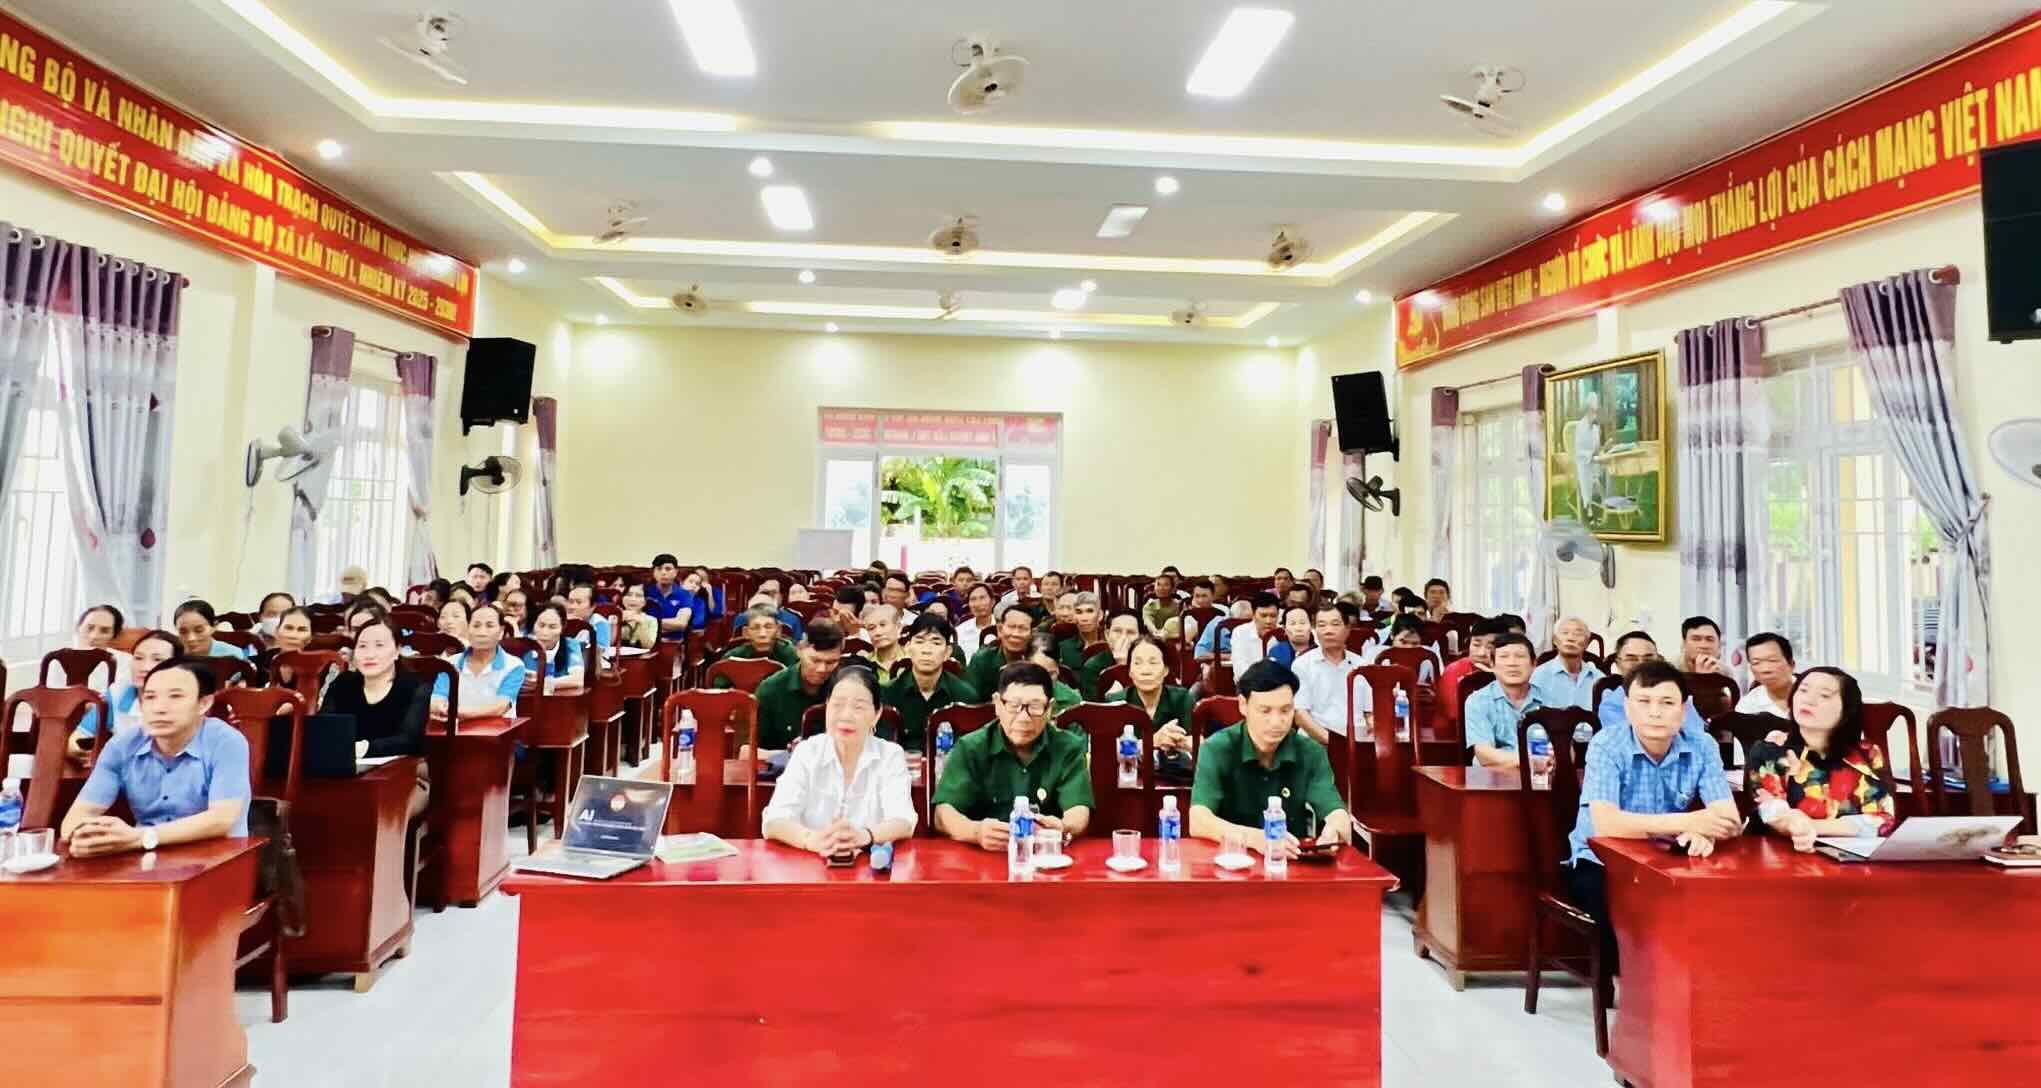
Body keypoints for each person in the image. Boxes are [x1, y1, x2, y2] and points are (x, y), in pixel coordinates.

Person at [1566, 661, 1740, 966]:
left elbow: (1730, 820)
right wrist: (1690, 822)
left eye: (1667, 703)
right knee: (1628, 930)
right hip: (1602, 860)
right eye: (1644, 702)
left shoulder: (1702, 745)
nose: (1655, 712)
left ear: (1684, 710)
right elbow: (1606, 825)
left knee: (1723, 911)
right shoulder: (1606, 744)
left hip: (1666, 858)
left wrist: (1703, 833)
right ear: (1627, 708)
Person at [62, 660, 252, 855]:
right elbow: (76, 818)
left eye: (175, 696)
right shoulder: (122, 746)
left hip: (216, 856)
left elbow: (222, 820)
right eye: (150, 697)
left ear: (204, 704)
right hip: (143, 855)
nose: (159, 708)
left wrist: (142, 837)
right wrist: (84, 837)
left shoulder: (226, 742)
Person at [1189, 660, 1351, 857]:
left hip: (1290, 861)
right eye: (1265, 711)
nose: (1276, 722)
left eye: (1285, 710)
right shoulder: (1216, 748)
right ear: (1243, 705)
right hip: (1229, 860)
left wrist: (1334, 830)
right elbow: (1198, 820)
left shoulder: (1310, 751)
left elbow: (1336, 811)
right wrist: (1254, 838)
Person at [932, 662, 1094, 847]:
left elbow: (1079, 811)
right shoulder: (971, 748)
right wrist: (975, 832)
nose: (1024, 718)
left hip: (1045, 852)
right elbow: (943, 813)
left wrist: (1062, 827)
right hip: (982, 854)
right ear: (997, 704)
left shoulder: (1068, 747)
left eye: (1035, 706)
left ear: (1049, 708)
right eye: (1014, 705)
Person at [762, 667, 918, 855]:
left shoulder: (890, 755)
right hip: (810, 861)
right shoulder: (807, 752)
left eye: (858, 707)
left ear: (876, 715)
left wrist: (863, 836)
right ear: (827, 707)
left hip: (870, 863)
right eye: (838, 705)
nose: (846, 716)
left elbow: (903, 821)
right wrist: (811, 840)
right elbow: (774, 820)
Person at [1747, 667, 1896, 850]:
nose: (1808, 700)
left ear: (1846, 709)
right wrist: (1796, 825)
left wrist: (1813, 827)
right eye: (1803, 690)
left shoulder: (1867, 753)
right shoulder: (1770, 751)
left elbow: (1883, 819)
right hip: (1780, 854)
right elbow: (1773, 812)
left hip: (1846, 857)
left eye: (1824, 695)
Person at [320, 619, 431, 818]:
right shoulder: (343, 683)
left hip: (406, 776)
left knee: (369, 810)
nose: (369, 654)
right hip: (345, 774)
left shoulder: (415, 687)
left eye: (379, 645)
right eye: (362, 646)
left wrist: (364, 748)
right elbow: (325, 729)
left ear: (397, 651)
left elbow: (409, 740)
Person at [69, 629, 181, 757]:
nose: (144, 667)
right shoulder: (118, 693)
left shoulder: (187, 701)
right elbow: (79, 735)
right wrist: (81, 753)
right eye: (138, 658)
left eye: (157, 659)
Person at [881, 614, 976, 751]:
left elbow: (968, 751)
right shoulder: (887, 693)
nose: (926, 650)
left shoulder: (965, 695)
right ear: (908, 648)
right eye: (919, 642)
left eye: (936, 643)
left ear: (947, 652)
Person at [751, 620, 847, 755]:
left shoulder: (848, 688)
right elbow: (747, 753)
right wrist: (798, 756)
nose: (822, 669)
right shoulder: (771, 690)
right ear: (799, 651)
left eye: (831, 662)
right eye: (815, 660)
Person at [1597, 631, 1709, 737]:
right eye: (1631, 659)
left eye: (1648, 659)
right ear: (1618, 664)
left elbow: (1697, 735)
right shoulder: (1612, 705)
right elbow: (1627, 742)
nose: (1641, 665)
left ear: (1659, 660)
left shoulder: (1678, 697)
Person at [1464, 634, 1549, 771]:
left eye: (1520, 656)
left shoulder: (1549, 700)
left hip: (1540, 777)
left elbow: (1567, 752)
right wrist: (1530, 760)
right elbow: (1484, 755)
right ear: (1492, 664)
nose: (1512, 663)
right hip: (1491, 778)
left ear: (1534, 664)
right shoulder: (1478, 701)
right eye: (1504, 657)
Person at [1290, 604, 1372, 743]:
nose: (1328, 631)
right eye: (1321, 625)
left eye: (1335, 624)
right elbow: (1300, 714)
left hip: (1357, 741)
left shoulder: (1362, 665)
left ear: (1347, 629)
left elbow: (1369, 713)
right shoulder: (1302, 664)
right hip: (1314, 743)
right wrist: (1334, 744)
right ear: (1314, 631)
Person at [430, 604, 525, 722]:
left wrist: (456, 712)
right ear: (467, 629)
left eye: (489, 626)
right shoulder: (449, 663)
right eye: (476, 625)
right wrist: (437, 707)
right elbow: (437, 699)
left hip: (497, 730)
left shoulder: (514, 665)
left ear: (501, 632)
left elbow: (500, 708)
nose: (481, 632)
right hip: (456, 727)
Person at [1122, 635, 1196, 781]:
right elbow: (1108, 750)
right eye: (1137, 663)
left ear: (1165, 670)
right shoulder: (1117, 701)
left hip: (1175, 778)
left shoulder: (1182, 698)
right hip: (1129, 779)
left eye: (1153, 663)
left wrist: (1176, 740)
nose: (1145, 670)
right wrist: (1152, 741)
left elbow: (1197, 742)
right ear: (1130, 671)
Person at [1437, 617, 1503, 739]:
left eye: (1490, 647)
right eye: (1476, 645)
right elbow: (1455, 714)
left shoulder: (1508, 672)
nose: (1481, 653)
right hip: (1455, 737)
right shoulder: (1454, 670)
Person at [1531, 617, 1605, 709]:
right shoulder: (1538, 676)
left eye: (1577, 634)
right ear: (1555, 640)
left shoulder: (1599, 678)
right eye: (1565, 633)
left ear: (1586, 643)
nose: (1571, 638)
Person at [966, 606, 1036, 701]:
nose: (1015, 634)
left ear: (1032, 633)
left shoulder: (1038, 660)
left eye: (1022, 628)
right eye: (1011, 627)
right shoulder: (982, 660)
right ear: (1000, 629)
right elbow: (970, 701)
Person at [524, 604, 586, 695]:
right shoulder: (523, 645)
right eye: (541, 625)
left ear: (562, 627)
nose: (545, 632)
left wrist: (542, 683)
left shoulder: (570, 644)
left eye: (552, 627)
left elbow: (578, 680)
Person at [1082, 608, 1142, 698]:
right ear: (1107, 635)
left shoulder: (1148, 664)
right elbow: (1094, 704)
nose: (1124, 637)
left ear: (1140, 637)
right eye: (1117, 631)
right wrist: (1120, 667)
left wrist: (1124, 665)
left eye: (1130, 632)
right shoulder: (1092, 667)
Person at [1024, 630, 1084, 718]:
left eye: (1051, 674)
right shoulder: (1010, 695)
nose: (1044, 681)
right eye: (1036, 673)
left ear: (1058, 668)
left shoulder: (1073, 700)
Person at [723, 605, 801, 672]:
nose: (762, 634)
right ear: (746, 633)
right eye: (755, 628)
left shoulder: (789, 654)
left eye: (768, 627)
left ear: (778, 630)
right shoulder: (733, 657)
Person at [1736, 632, 1797, 716]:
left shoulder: (1812, 693)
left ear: (1791, 664)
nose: (1765, 669)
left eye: (1772, 660)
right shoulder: (1747, 707)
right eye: (1756, 663)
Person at [1230, 591, 1282, 682]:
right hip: (1248, 684)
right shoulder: (1240, 632)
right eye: (1263, 616)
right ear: (1253, 615)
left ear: (1278, 615)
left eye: (1273, 616)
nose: (1268, 621)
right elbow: (1240, 670)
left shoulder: (1283, 634)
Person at [642, 554, 694, 642]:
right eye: (659, 569)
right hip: (647, 640)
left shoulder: (684, 594)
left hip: (673, 642)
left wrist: (649, 624)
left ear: (676, 572)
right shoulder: (645, 592)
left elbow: (681, 623)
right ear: (653, 572)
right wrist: (668, 625)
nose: (663, 572)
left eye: (668, 569)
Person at [172, 600, 249, 659]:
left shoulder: (234, 655)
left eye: (199, 630)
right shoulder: (172, 654)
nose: (191, 638)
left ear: (214, 626)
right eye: (183, 632)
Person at [1057, 591, 1105, 671]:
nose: (1084, 618)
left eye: (1090, 611)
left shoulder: (1110, 645)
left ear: (1100, 615)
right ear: (1074, 616)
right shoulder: (1064, 648)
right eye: (1079, 612)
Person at [1195, 599, 1253, 664]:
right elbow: (1199, 655)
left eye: (1248, 622)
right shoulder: (1216, 625)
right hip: (1222, 665)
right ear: (1229, 619)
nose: (1244, 627)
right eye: (1239, 623)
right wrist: (1230, 656)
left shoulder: (1257, 626)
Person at [859, 604, 909, 677]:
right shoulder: (863, 664)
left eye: (883, 625)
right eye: (871, 628)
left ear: (898, 627)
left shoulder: (913, 657)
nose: (878, 632)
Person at [565, 583, 612, 656]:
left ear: (592, 606)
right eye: (571, 602)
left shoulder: (600, 623)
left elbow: (599, 652)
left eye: (579, 602)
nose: (572, 607)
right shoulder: (562, 621)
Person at [955, 582, 996, 652]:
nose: (978, 604)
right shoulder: (959, 631)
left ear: (992, 602)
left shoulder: (1003, 627)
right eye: (973, 599)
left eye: (982, 598)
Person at [616, 583, 658, 650]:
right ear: (622, 598)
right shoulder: (614, 617)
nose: (633, 599)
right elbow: (608, 644)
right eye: (629, 595)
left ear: (645, 601)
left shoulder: (651, 620)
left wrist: (642, 623)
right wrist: (615, 623)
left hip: (642, 656)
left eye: (638, 596)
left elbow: (648, 646)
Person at [1141, 572, 1182, 637]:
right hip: (1154, 638)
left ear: (1173, 588)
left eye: (1166, 585)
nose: (1161, 588)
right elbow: (1148, 622)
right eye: (1158, 584)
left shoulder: (1179, 605)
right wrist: (1156, 632)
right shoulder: (1150, 606)